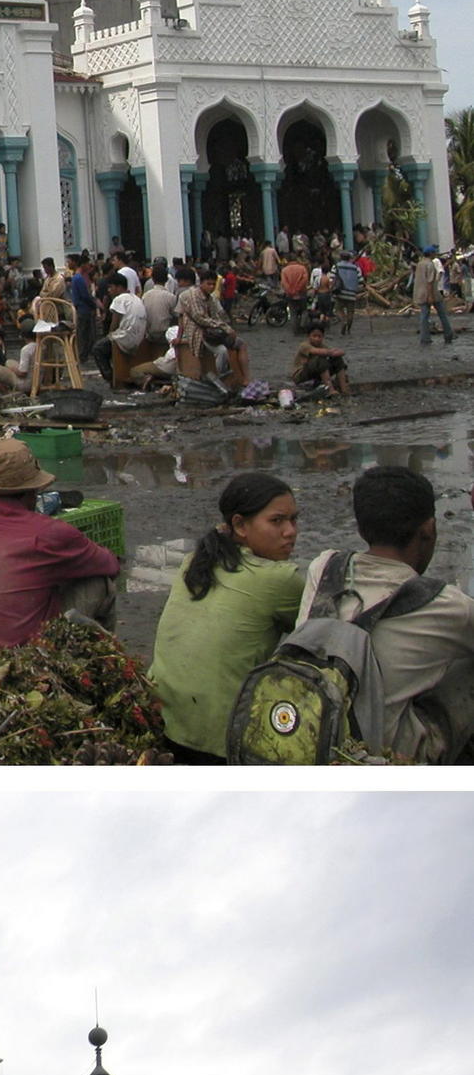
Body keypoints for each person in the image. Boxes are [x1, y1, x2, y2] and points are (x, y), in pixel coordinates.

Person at [295, 465, 474, 761]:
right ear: (428, 529)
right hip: (381, 756)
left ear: (361, 527)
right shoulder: (447, 605)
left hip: (313, 732)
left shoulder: (323, 567)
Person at [0, 437, 121, 679]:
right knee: (99, 581)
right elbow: (110, 564)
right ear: (33, 490)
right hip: (18, 666)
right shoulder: (48, 533)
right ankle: (102, 667)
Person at [149, 473, 304, 760]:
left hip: (162, 720)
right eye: (277, 521)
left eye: (294, 520)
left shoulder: (195, 560)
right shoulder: (280, 580)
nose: (290, 531)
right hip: (219, 742)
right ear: (240, 525)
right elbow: (318, 635)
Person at [291, 322, 349, 397]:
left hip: (315, 373)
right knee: (320, 360)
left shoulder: (323, 346)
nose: (317, 339)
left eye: (319, 336)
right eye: (314, 336)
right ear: (308, 336)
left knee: (337, 360)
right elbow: (317, 351)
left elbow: (340, 352)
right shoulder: (304, 345)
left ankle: (344, 389)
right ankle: (330, 390)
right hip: (301, 375)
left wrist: (334, 353)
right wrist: (332, 352)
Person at [413, 247, 453, 346]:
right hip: (431, 293)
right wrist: (430, 296)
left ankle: (425, 338)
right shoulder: (430, 264)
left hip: (420, 293)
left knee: (424, 316)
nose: (435, 254)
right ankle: (448, 334)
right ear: (431, 254)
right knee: (442, 314)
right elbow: (430, 282)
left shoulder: (420, 264)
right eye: (434, 252)